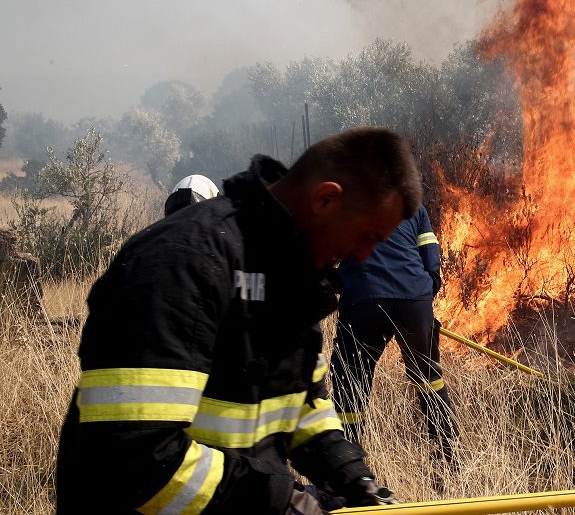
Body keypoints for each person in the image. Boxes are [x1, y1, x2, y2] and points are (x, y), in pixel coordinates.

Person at [56, 127, 421, 515]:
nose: (364, 256)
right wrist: (286, 505)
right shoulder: (181, 262)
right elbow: (134, 457)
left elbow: (303, 404)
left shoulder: (293, 277)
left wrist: (352, 478)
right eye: (368, 236)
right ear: (326, 199)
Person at [330, 204, 459, 477]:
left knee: (350, 380)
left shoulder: (347, 204)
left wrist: (344, 284)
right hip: (414, 301)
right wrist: (426, 288)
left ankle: (348, 469)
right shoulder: (412, 205)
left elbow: (324, 255)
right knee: (428, 377)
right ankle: (448, 458)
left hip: (365, 301)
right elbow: (429, 250)